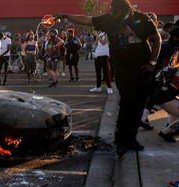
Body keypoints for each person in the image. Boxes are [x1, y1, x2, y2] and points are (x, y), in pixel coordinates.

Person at [55, 0, 162, 155]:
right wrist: (66, 15)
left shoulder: (141, 18)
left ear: (125, 9)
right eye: (114, 11)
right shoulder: (110, 19)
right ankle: (121, 141)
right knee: (127, 102)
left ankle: (131, 139)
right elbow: (87, 19)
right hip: (122, 69)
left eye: (117, 11)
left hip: (143, 69)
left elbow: (156, 38)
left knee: (138, 104)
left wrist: (152, 62)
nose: (115, 14)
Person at [154, 51, 179, 142]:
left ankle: (172, 129)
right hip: (165, 98)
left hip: (162, 96)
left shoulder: (174, 67)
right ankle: (166, 132)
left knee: (175, 111)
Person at [90, 30, 113, 94]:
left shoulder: (107, 33)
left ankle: (109, 87)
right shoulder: (100, 33)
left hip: (104, 54)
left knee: (106, 71)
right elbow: (96, 44)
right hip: (97, 54)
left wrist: (97, 35)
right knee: (98, 72)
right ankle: (98, 86)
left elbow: (103, 42)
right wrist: (97, 36)